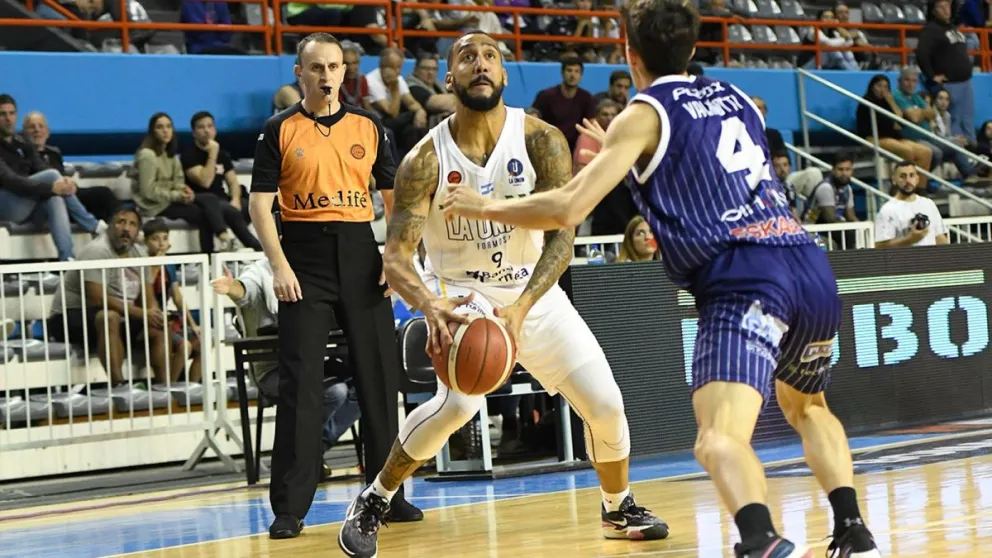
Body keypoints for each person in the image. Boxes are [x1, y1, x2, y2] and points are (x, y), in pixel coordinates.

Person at [442, 3, 883, 557]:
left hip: (744, 276)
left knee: (719, 437)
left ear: (629, 54)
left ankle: (760, 541)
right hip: (807, 262)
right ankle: (853, 530)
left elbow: (570, 206)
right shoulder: (737, 97)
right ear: (693, 50)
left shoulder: (642, 114)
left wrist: (485, 207)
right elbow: (704, 167)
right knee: (808, 407)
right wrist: (624, 156)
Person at [337, 30, 669, 558]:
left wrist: (521, 308)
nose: (480, 64)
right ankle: (376, 498)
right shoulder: (424, 160)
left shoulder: (540, 139)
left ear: (505, 73)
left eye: (490, 55)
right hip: (463, 297)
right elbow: (396, 258)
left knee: (606, 404)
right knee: (458, 407)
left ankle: (616, 505)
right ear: (450, 77)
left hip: (532, 293)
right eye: (467, 57)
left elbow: (563, 236)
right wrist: (429, 305)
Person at [248, 32, 419, 540]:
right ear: (299, 73)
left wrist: (396, 257)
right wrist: (279, 265)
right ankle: (290, 508)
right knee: (301, 385)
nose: (327, 75)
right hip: (302, 257)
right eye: (316, 67)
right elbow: (260, 204)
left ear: (346, 73)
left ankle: (390, 495)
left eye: (335, 67)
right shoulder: (278, 128)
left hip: (360, 253)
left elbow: (396, 197)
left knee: (379, 380)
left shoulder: (370, 125)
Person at [211, 260, 362, 479]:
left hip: (311, 362)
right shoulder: (258, 270)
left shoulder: (311, 267)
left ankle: (309, 452)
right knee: (334, 392)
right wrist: (231, 287)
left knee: (367, 385)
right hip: (273, 370)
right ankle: (306, 454)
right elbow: (245, 292)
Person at [874, 160, 948, 248]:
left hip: (930, 259)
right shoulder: (887, 210)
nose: (908, 180)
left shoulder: (928, 204)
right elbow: (880, 246)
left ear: (917, 179)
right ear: (894, 179)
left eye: (911, 175)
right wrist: (910, 239)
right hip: (905, 260)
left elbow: (940, 237)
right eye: (903, 176)